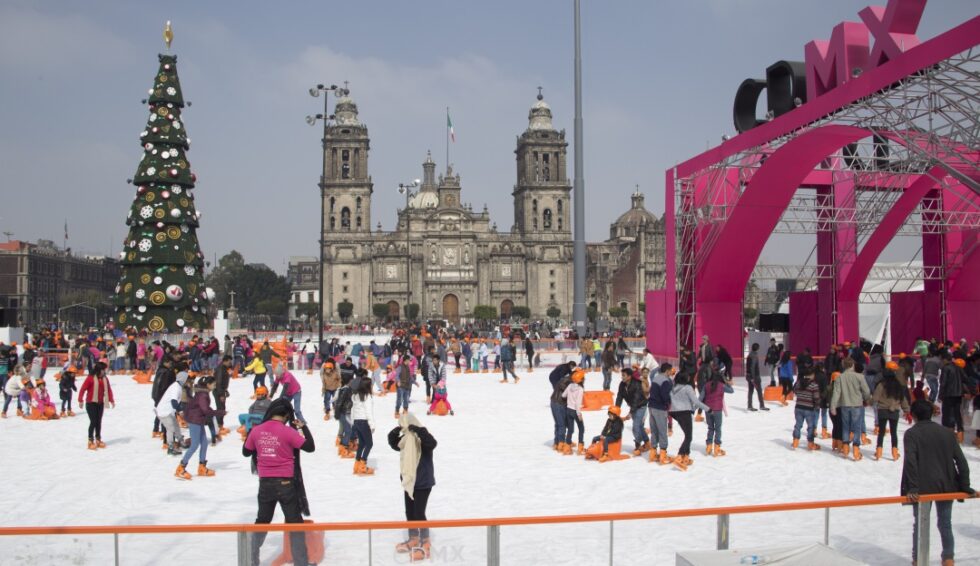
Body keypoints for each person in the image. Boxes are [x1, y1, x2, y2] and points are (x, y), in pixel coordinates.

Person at [243, 398, 315, 566]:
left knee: (262, 521)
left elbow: (246, 452)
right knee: (295, 523)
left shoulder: (257, 430)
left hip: (265, 483)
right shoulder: (288, 432)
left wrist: (253, 436)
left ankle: (251, 560)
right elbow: (310, 447)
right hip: (286, 484)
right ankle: (301, 563)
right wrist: (303, 426)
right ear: (286, 415)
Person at [902, 399, 975, 565]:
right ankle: (948, 559)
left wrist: (912, 486)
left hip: (921, 487)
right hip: (947, 485)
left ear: (913, 415)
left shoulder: (912, 434)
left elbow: (911, 462)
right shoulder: (947, 433)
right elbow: (961, 461)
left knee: (920, 525)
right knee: (945, 523)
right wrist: (964, 486)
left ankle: (918, 559)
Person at [388, 413, 437, 562]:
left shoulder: (422, 439)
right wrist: (396, 431)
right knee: (409, 511)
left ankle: (425, 540)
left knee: (419, 512)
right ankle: (413, 538)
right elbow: (394, 443)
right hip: (409, 482)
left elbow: (432, 443)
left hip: (423, 483)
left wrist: (420, 430)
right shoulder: (406, 440)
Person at [176, 375, 225, 479]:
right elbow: (205, 410)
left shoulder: (202, 393)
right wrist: (219, 412)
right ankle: (181, 468)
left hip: (198, 420)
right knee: (194, 445)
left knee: (204, 443)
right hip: (195, 421)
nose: (215, 386)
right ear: (208, 385)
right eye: (214, 384)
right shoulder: (203, 395)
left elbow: (204, 407)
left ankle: (202, 467)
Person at [830, 357, 872, 461]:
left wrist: (833, 406)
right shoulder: (860, 377)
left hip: (844, 405)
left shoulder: (840, 377)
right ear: (853, 365)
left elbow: (836, 393)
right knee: (857, 427)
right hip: (857, 405)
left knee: (845, 427)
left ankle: (845, 447)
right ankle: (856, 449)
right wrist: (867, 400)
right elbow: (866, 391)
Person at [670, 372, 709, 471]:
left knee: (687, 435)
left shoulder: (672, 388)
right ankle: (679, 456)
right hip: (685, 413)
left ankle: (686, 456)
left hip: (675, 413)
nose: (689, 378)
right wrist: (708, 409)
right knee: (688, 436)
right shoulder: (687, 388)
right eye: (687, 377)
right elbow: (696, 401)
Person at [873, 365, 910, 461]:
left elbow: (875, 398)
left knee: (881, 432)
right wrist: (907, 411)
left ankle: (879, 451)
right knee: (894, 433)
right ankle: (894, 452)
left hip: (882, 411)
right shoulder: (899, 386)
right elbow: (903, 400)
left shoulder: (881, 385)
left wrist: (867, 402)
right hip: (894, 412)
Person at [77, 362, 114, 450]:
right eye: (103, 370)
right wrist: (80, 400)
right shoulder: (90, 378)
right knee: (93, 421)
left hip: (100, 403)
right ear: (99, 370)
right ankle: (90, 440)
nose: (105, 371)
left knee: (98, 421)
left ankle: (98, 439)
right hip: (91, 403)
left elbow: (108, 389)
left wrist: (111, 400)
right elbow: (83, 389)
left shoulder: (105, 379)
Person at [700, 365, 733, 456]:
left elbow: (700, 398)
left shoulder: (706, 385)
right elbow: (731, 390)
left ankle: (709, 445)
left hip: (708, 409)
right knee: (718, 428)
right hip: (717, 409)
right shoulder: (721, 385)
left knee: (710, 428)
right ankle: (717, 447)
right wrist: (726, 382)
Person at [615, 368, 649, 455]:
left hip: (641, 406)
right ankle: (647, 442)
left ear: (629, 376)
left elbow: (636, 400)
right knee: (640, 426)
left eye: (624, 375)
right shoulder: (622, 385)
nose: (622, 377)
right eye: (621, 375)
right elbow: (619, 397)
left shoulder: (637, 384)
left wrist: (630, 412)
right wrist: (616, 409)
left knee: (636, 426)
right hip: (633, 406)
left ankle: (637, 445)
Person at [647, 363, 674, 464]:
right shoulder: (666, 381)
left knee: (654, 430)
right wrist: (668, 403)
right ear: (667, 371)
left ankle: (653, 452)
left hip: (651, 406)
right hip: (660, 408)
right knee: (662, 431)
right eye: (671, 370)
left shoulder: (656, 378)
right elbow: (665, 395)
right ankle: (663, 454)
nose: (671, 372)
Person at [939, 357, 969, 443]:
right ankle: (960, 434)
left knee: (947, 413)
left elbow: (943, 382)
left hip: (948, 394)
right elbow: (966, 380)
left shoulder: (946, 368)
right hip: (958, 394)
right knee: (957, 413)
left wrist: (941, 394)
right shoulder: (960, 370)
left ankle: (948, 433)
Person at [157, 371, 187, 456]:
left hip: (169, 411)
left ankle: (181, 442)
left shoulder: (178, 386)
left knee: (176, 426)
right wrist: (180, 411)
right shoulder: (176, 387)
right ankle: (170, 447)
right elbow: (174, 401)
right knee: (171, 429)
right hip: (164, 411)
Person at [790, 369, 822, 451]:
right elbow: (816, 398)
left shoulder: (798, 383)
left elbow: (795, 391)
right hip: (809, 408)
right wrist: (817, 406)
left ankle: (795, 442)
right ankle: (810, 444)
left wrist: (801, 397)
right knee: (810, 427)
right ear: (811, 375)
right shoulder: (814, 385)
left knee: (798, 425)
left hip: (798, 407)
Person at [351, 375, 376, 475]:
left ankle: (356, 465)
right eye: (371, 385)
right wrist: (372, 424)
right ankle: (362, 465)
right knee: (369, 444)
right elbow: (368, 411)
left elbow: (353, 410)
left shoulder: (356, 396)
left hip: (357, 422)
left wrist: (353, 422)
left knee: (362, 444)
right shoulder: (367, 397)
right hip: (364, 422)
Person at [549, 362, 576, 450]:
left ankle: (556, 443)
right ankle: (561, 443)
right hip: (559, 403)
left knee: (558, 424)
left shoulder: (566, 379)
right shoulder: (568, 382)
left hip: (554, 401)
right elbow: (565, 394)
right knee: (562, 424)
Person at [560, 369, 586, 455]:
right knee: (581, 428)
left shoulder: (570, 385)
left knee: (570, 429)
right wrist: (579, 414)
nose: (584, 379)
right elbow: (578, 403)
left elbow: (563, 395)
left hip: (568, 410)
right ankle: (580, 448)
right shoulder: (580, 389)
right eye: (583, 378)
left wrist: (569, 399)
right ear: (581, 380)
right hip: (575, 411)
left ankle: (567, 447)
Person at [213, 355, 233, 436]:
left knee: (222, 408)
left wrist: (225, 391)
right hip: (218, 391)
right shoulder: (221, 368)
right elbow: (218, 382)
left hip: (221, 390)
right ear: (225, 361)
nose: (230, 363)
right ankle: (218, 426)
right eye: (229, 361)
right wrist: (221, 394)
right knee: (220, 408)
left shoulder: (224, 368)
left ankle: (220, 425)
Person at [745, 343, 767, 412]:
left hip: (749, 375)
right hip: (754, 376)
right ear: (757, 348)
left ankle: (749, 405)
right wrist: (753, 377)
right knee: (759, 391)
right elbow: (752, 367)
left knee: (751, 391)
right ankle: (761, 405)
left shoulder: (750, 355)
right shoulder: (754, 355)